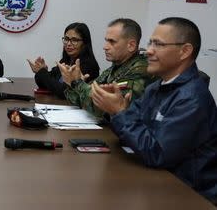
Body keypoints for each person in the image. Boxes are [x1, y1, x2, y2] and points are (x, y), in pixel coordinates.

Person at [91, 17, 217, 204]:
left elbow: (157, 154)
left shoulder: (192, 99)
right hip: (156, 184)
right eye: (150, 43)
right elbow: (131, 132)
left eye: (158, 44)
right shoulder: (156, 87)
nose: (148, 50)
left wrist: (119, 112)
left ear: (185, 51)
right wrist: (116, 110)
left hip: (189, 197)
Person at [58, 18, 153, 117]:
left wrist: (77, 83)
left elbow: (102, 108)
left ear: (131, 45)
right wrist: (71, 83)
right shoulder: (115, 67)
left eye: (112, 42)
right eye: (106, 41)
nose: (105, 47)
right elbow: (82, 100)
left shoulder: (140, 69)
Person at [27, 22, 100, 99]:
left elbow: (64, 92)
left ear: (85, 43)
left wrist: (42, 72)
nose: (68, 44)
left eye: (74, 40)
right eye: (66, 39)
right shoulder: (66, 60)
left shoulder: (89, 65)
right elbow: (45, 84)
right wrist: (41, 71)